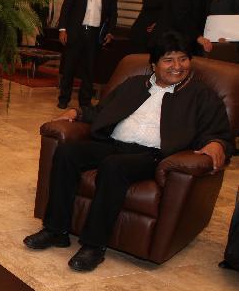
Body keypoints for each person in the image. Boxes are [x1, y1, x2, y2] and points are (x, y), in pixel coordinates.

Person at [24, 33, 233, 272]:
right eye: (169, 60)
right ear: (154, 65)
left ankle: (94, 245)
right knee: (68, 152)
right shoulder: (134, 84)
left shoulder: (200, 95)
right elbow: (102, 111)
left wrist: (217, 143)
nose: (177, 66)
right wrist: (76, 113)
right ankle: (55, 230)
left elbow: (219, 132)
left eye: (183, 59)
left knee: (114, 166)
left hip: (151, 155)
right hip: (113, 144)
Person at [56, 0, 119, 109]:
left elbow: (113, 13)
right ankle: (63, 99)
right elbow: (66, 8)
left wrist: (110, 31)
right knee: (69, 67)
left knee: (90, 69)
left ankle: (85, 101)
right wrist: (62, 29)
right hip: (75, 31)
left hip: (95, 33)